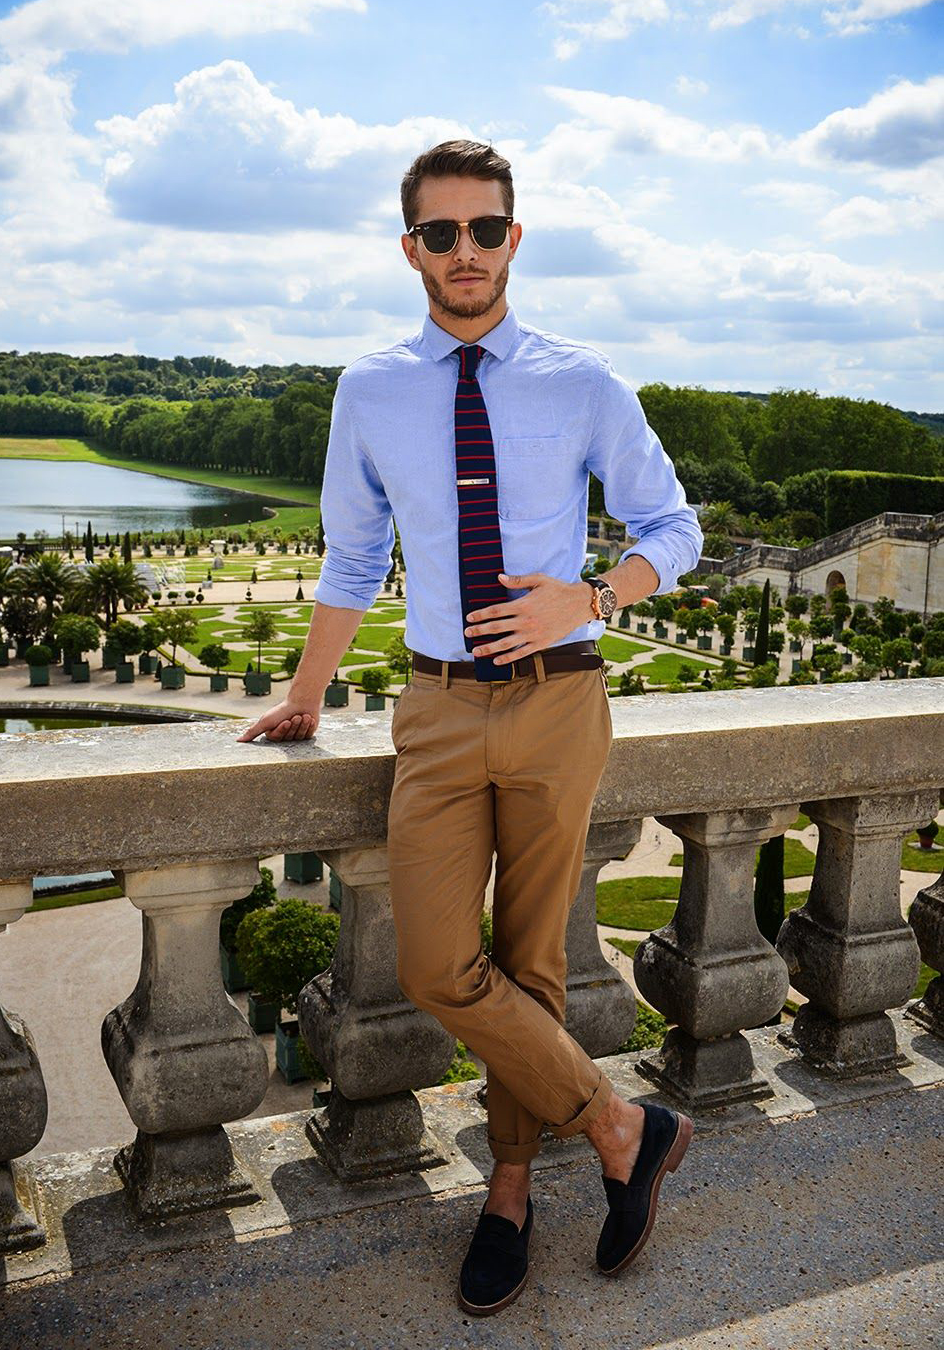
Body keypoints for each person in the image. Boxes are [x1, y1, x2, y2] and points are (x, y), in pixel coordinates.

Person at [238, 138, 703, 1316]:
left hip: (559, 700)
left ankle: (508, 1191)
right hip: (438, 709)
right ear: (410, 249)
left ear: (512, 237)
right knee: (438, 962)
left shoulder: (581, 378)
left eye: (482, 228)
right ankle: (619, 1126)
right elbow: (352, 556)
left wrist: (595, 596)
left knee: (533, 962)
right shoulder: (369, 387)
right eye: (438, 233)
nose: (463, 251)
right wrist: (306, 690)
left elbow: (672, 526)